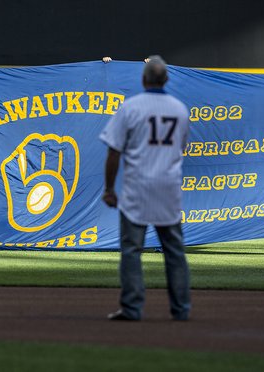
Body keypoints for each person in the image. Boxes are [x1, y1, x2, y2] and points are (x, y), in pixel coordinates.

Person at [99, 55, 191, 321]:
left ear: (143, 79)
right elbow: (180, 149)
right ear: (166, 79)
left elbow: (114, 151)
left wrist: (109, 189)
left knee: (131, 250)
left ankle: (132, 307)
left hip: (138, 187)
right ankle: (181, 309)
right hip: (168, 188)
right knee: (174, 252)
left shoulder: (131, 107)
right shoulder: (179, 109)